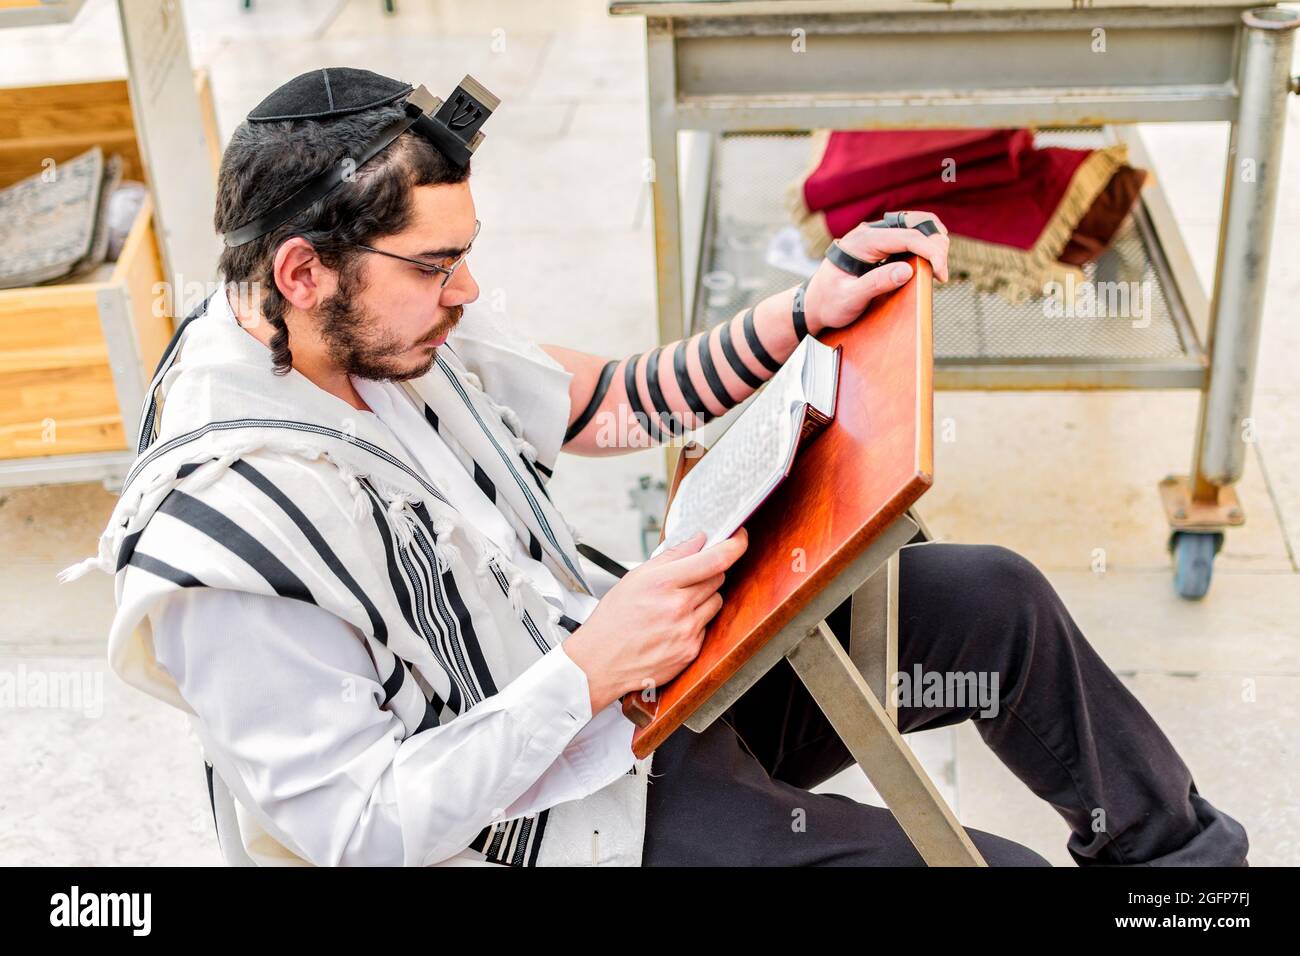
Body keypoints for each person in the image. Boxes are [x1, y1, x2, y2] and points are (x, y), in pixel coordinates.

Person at [63, 67, 1248, 867]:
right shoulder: (227, 541)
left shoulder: (377, 314)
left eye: (461, 257)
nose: (464, 293)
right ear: (300, 271)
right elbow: (359, 828)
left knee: (989, 604)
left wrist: (802, 313)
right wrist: (583, 671)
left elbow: (608, 401)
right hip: (543, 824)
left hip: (614, 687)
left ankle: (1182, 875)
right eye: (434, 266)